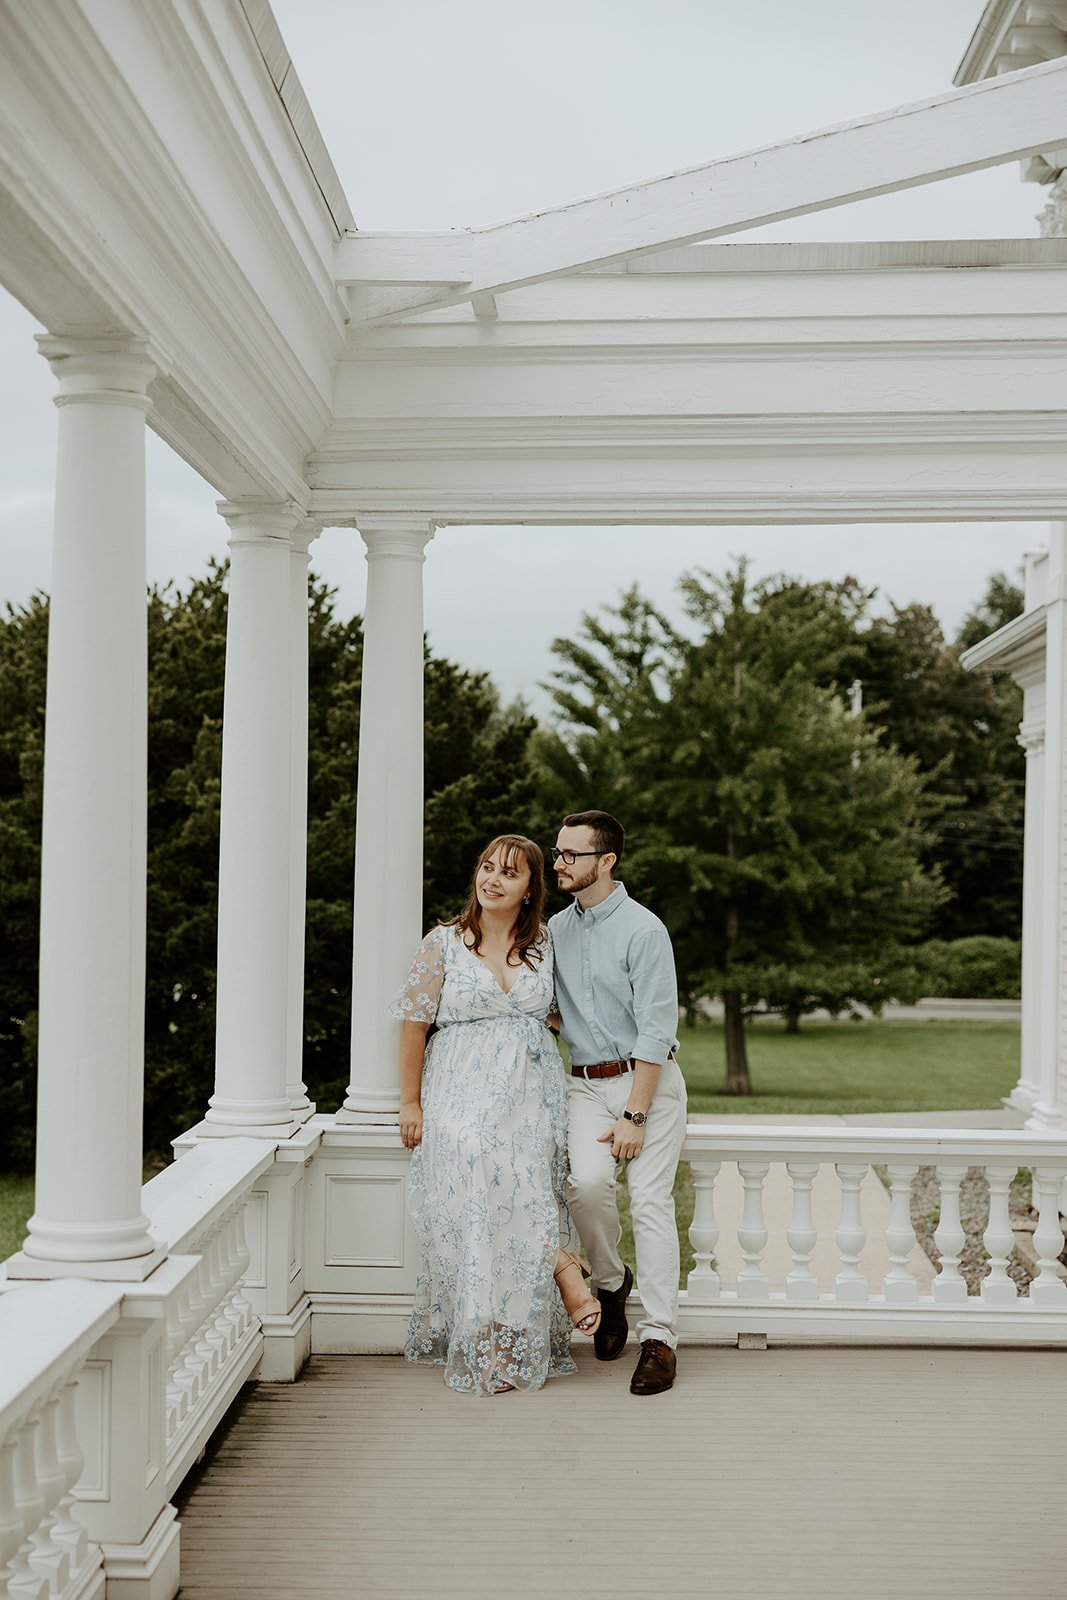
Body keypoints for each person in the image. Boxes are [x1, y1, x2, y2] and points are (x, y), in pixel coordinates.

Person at [390, 834, 600, 1397]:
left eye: (509, 873)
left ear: (531, 888)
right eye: (486, 867)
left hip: (531, 1093)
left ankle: (506, 1346)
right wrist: (409, 1102)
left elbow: (564, 1014)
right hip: (459, 1087)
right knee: (480, 1167)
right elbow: (413, 1025)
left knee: (523, 1187)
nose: (493, 879)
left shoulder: (546, 946)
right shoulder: (444, 943)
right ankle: (558, 1262)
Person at [549, 810, 687, 1396]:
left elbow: (656, 1031)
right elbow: (550, 1005)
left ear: (606, 861)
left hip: (647, 1082)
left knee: (652, 1200)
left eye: (571, 856)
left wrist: (635, 1112)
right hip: (583, 1082)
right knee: (584, 1185)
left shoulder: (644, 930)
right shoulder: (556, 929)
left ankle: (660, 1340)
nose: (559, 864)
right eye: (557, 853)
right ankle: (610, 1283)